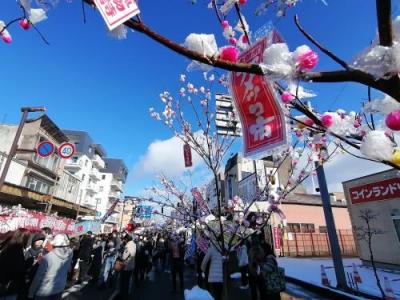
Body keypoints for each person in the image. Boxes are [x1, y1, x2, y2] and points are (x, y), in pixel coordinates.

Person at [28, 234, 73, 300]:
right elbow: (68, 269)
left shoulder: (48, 257)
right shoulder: (70, 253)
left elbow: (38, 277)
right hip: (60, 288)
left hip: (44, 292)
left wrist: (30, 294)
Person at [0, 228, 31, 300]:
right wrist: (27, 264)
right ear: (24, 238)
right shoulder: (17, 251)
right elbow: (18, 271)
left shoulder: (7, 245)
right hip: (9, 287)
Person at [118, 234, 136, 300]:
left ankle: (123, 295)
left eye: (124, 239)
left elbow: (124, 256)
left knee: (123, 282)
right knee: (127, 281)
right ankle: (126, 294)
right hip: (131, 265)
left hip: (126, 266)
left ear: (126, 239)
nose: (124, 240)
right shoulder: (134, 244)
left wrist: (120, 255)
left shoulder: (128, 245)